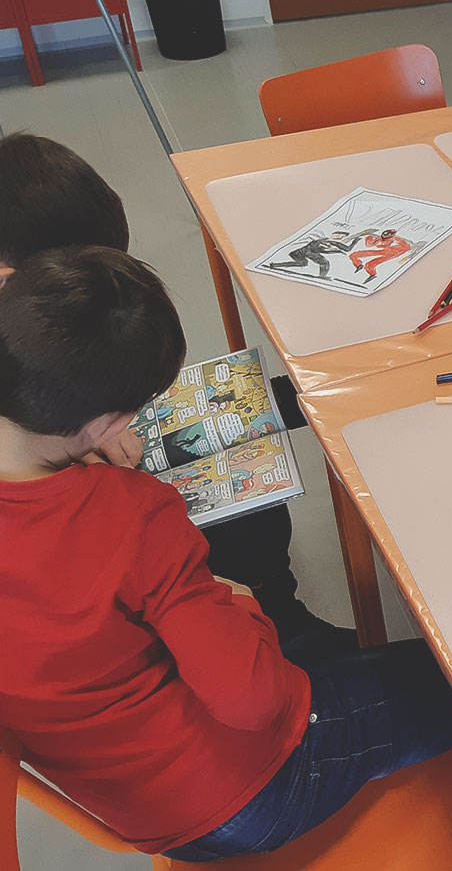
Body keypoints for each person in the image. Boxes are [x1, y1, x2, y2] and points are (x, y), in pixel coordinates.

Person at [0, 246, 452, 860]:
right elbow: (254, 702)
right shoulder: (132, 516)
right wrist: (241, 604)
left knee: (323, 651)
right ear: (107, 423)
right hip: (244, 791)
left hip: (132, 802)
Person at [0, 130, 334, 639]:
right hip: (53, 527)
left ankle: (277, 600)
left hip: (67, 438)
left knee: (247, 451)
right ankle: (278, 621)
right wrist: (67, 444)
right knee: (215, 526)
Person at [266, 227, 373, 279]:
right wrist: (332, 248)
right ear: (333, 234)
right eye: (338, 235)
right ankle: (322, 277)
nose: (339, 237)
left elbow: (348, 249)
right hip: (303, 252)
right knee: (324, 262)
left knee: (303, 263)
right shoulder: (323, 240)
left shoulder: (334, 243)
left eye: (341, 236)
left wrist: (355, 241)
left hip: (306, 253)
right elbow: (314, 248)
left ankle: (274, 265)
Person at [348, 227, 413, 281]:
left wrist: (392, 248)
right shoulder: (381, 238)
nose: (384, 237)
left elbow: (407, 247)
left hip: (392, 253)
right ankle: (358, 265)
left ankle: (372, 275)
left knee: (370, 264)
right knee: (354, 255)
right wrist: (369, 237)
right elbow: (370, 245)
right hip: (382, 251)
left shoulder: (397, 240)